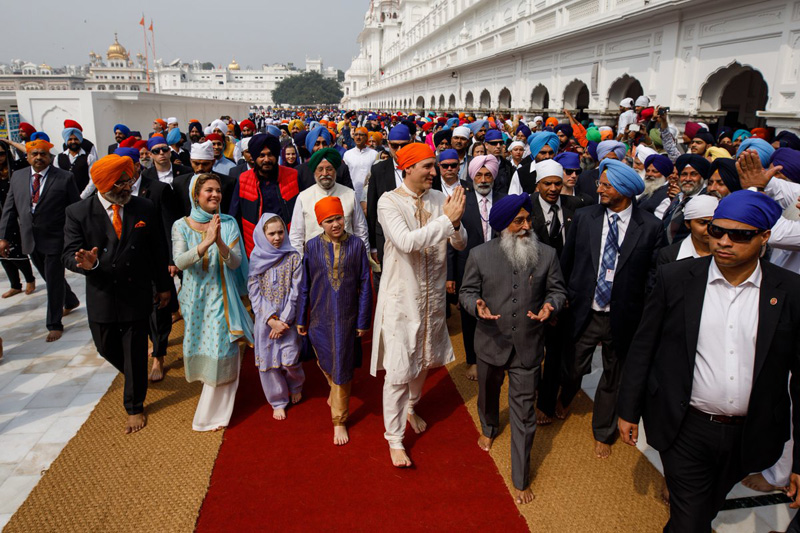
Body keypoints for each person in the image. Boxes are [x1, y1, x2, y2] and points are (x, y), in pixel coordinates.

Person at [617, 190, 800, 532]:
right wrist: (628, 408)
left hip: (753, 433)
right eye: (717, 231)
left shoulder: (791, 291)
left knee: (705, 508)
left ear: (764, 237)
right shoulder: (677, 279)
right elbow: (644, 345)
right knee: (691, 520)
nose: (724, 242)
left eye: (739, 235)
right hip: (685, 426)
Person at [459, 192, 566, 504]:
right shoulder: (480, 255)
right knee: (488, 394)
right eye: (518, 221)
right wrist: (474, 304)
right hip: (491, 341)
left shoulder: (546, 254)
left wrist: (551, 305)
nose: (526, 226)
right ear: (503, 225)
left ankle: (520, 477)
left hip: (529, 345)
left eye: (528, 219)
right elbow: (467, 291)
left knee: (523, 414)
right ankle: (489, 427)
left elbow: (558, 290)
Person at [560, 158, 664, 458]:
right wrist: (562, 295)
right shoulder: (584, 217)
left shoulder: (650, 227)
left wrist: (642, 310)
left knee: (613, 377)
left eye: (606, 185)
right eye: (600, 184)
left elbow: (652, 275)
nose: (599, 189)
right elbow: (568, 261)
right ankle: (566, 396)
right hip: (585, 309)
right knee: (573, 364)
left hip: (624, 316)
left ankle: (603, 431)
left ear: (625, 190)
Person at [370, 143, 467, 467]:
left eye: (434, 165)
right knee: (399, 369)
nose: (433, 171)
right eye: (427, 166)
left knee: (424, 359)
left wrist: (455, 222)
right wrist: (446, 221)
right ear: (407, 169)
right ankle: (394, 439)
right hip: (402, 299)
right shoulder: (389, 201)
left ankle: (411, 406)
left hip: (433, 297)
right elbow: (406, 242)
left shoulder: (441, 199)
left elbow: (460, 241)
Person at [63, 154, 171, 433]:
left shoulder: (144, 207)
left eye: (129, 180)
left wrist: (163, 287)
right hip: (102, 292)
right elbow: (67, 253)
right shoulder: (78, 212)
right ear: (103, 184)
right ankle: (137, 377)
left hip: (137, 291)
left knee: (135, 349)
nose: (128, 187)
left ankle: (134, 405)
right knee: (105, 347)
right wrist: (84, 263)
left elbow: (158, 249)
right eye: (121, 183)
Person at [172, 173, 254, 431]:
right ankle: (212, 404)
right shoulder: (181, 225)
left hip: (222, 296)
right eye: (209, 190)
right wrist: (205, 242)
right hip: (195, 300)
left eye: (218, 190)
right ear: (196, 195)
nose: (215, 195)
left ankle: (211, 416)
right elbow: (180, 262)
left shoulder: (227, 222)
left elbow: (236, 262)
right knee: (204, 347)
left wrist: (218, 241)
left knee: (222, 348)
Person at [297, 197, 372, 445]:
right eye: (329, 220)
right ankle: (334, 389)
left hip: (347, 318)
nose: (335, 224)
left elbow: (364, 283)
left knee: (342, 365)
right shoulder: (311, 247)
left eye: (338, 218)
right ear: (320, 223)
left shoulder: (357, 245)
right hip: (320, 316)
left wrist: (363, 320)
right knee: (325, 359)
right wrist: (301, 317)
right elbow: (305, 284)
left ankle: (339, 419)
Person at [0, 137, 80, 341]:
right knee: (47, 275)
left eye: (43, 154)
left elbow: (75, 209)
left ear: (49, 157)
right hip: (29, 238)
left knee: (53, 279)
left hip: (56, 238)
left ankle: (54, 323)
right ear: (27, 157)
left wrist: (76, 236)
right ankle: (70, 300)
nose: (38, 157)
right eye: (34, 154)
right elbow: (10, 209)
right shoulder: (17, 177)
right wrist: (4, 238)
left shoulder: (64, 177)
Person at [528, 159, 584, 424]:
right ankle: (530, 392)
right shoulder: (525, 207)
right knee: (531, 350)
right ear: (537, 184)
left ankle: (547, 402)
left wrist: (566, 295)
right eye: (547, 184)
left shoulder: (578, 207)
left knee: (557, 353)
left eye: (557, 184)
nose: (553, 189)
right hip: (532, 294)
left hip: (564, 294)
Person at [446, 154, 506, 381]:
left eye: (487, 174)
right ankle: (472, 360)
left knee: (499, 311)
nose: (483, 179)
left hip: (500, 267)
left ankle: (499, 355)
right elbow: (451, 240)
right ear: (471, 177)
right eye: (478, 175)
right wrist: (450, 276)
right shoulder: (462, 201)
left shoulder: (504, 200)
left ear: (493, 176)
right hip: (468, 268)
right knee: (470, 316)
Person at [248, 213, 305, 421]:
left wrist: (284, 321)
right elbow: (254, 292)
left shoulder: (293, 257)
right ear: (263, 235)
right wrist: (270, 320)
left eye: (281, 232)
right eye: (271, 233)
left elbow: (296, 291)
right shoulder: (256, 258)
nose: (277, 237)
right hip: (265, 321)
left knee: (290, 359)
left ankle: (296, 384)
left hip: (287, 320)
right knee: (269, 363)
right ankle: (278, 400)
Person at [289, 148, 369, 256]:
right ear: (314, 172)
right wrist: (299, 265)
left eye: (329, 169)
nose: (325, 173)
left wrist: (364, 256)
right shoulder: (303, 197)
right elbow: (296, 237)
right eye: (320, 169)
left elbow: (361, 230)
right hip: (315, 261)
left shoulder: (350, 194)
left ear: (335, 170)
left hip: (348, 259)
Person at [228, 133, 299, 256]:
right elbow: (234, 216)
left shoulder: (293, 176)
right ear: (254, 157)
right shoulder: (243, 179)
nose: (266, 159)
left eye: (270, 155)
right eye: (261, 155)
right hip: (255, 250)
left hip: (287, 247)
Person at [0, 140, 35, 298]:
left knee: (17, 250)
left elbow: (30, 152)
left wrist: (10, 142)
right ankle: (15, 284)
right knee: (2, 253)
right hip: (1, 215)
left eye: (1, 153)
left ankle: (30, 279)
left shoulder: (17, 167)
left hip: (17, 214)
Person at [662, 153, 710, 244]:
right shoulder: (678, 197)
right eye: (684, 174)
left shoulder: (705, 201)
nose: (688, 179)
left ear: (702, 177)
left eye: (693, 174)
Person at [657, 195, 718, 265]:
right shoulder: (669, 256)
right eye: (702, 223)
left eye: (714, 224)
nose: (709, 229)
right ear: (687, 224)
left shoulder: (727, 252)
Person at [343, 127, 377, 203]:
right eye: (356, 135)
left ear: (366, 137)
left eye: (361, 135)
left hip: (369, 193)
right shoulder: (348, 154)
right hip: (352, 193)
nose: (358, 137)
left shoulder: (374, 154)